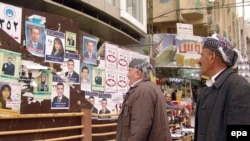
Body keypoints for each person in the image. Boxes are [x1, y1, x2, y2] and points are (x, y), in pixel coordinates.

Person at [194, 33, 250, 141]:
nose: (199, 61)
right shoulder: (206, 89)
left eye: (202, 55)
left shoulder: (239, 88)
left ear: (212, 57)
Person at [116, 58, 171, 141]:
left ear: (137, 73)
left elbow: (140, 128)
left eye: (129, 71)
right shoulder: (150, 88)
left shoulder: (143, 90)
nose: (127, 75)